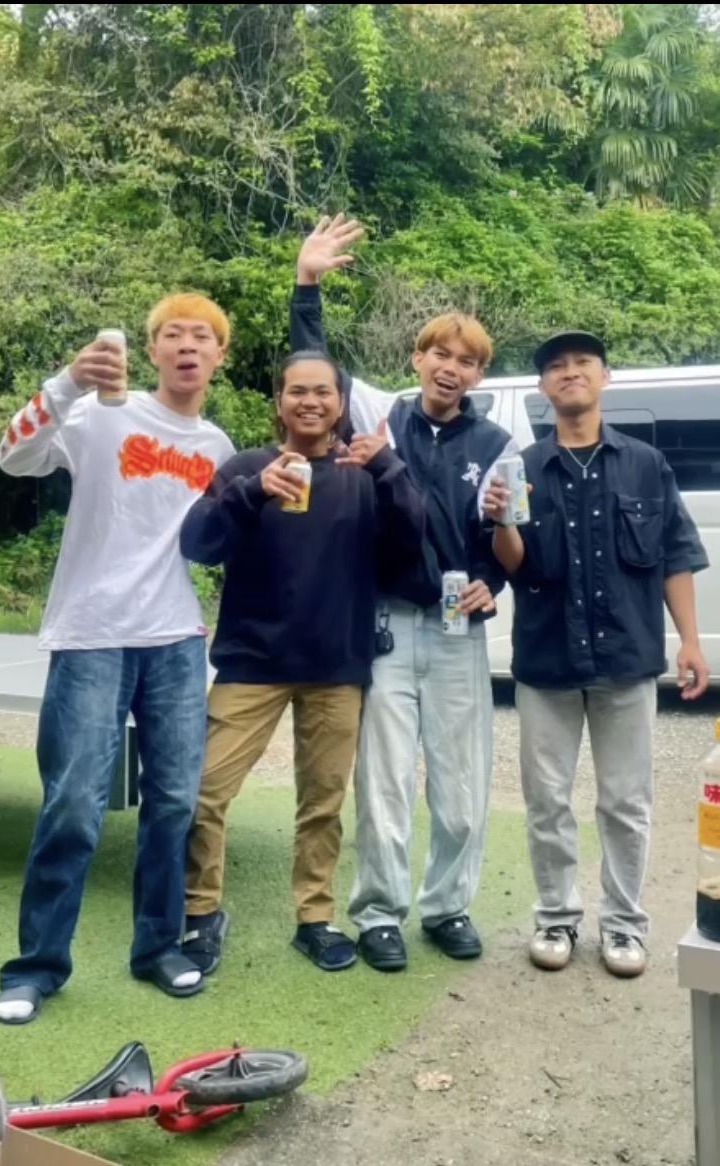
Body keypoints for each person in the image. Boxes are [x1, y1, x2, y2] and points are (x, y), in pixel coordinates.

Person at [0, 294, 235, 1023]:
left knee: (173, 802)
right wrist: (68, 381)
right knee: (73, 804)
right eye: (172, 335)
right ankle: (36, 967)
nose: (187, 345)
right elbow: (13, 456)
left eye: (202, 336)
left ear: (219, 356)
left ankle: (157, 947)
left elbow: (227, 540)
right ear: (151, 351)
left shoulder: (218, 448)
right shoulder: (100, 414)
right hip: (91, 632)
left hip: (176, 640)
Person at [290, 217, 517, 972]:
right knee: (383, 782)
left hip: (456, 630)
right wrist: (308, 283)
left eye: (467, 360)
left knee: (461, 788)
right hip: (386, 622)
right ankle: (380, 913)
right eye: (439, 354)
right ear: (417, 358)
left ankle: (447, 907)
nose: (451, 368)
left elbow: (501, 539)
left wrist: (493, 582)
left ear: (479, 375)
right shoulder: (380, 414)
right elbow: (315, 367)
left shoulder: (496, 445)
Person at [179, 350, 425, 973]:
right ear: (279, 402)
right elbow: (198, 542)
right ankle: (201, 912)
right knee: (203, 792)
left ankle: (315, 918)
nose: (310, 402)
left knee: (322, 803)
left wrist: (390, 467)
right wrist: (251, 492)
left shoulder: (364, 473)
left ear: (341, 404)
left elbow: (411, 544)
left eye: (322, 392)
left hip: (336, 665)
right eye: (297, 391)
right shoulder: (247, 467)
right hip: (251, 662)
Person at [483, 330, 709, 978]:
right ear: (542, 388)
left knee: (625, 803)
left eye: (582, 362)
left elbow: (674, 556)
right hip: (546, 663)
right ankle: (555, 917)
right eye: (555, 366)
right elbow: (513, 564)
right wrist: (501, 521)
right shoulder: (521, 467)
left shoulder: (645, 464)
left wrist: (690, 642)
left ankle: (624, 925)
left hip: (626, 660)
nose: (570, 372)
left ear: (604, 377)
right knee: (547, 802)